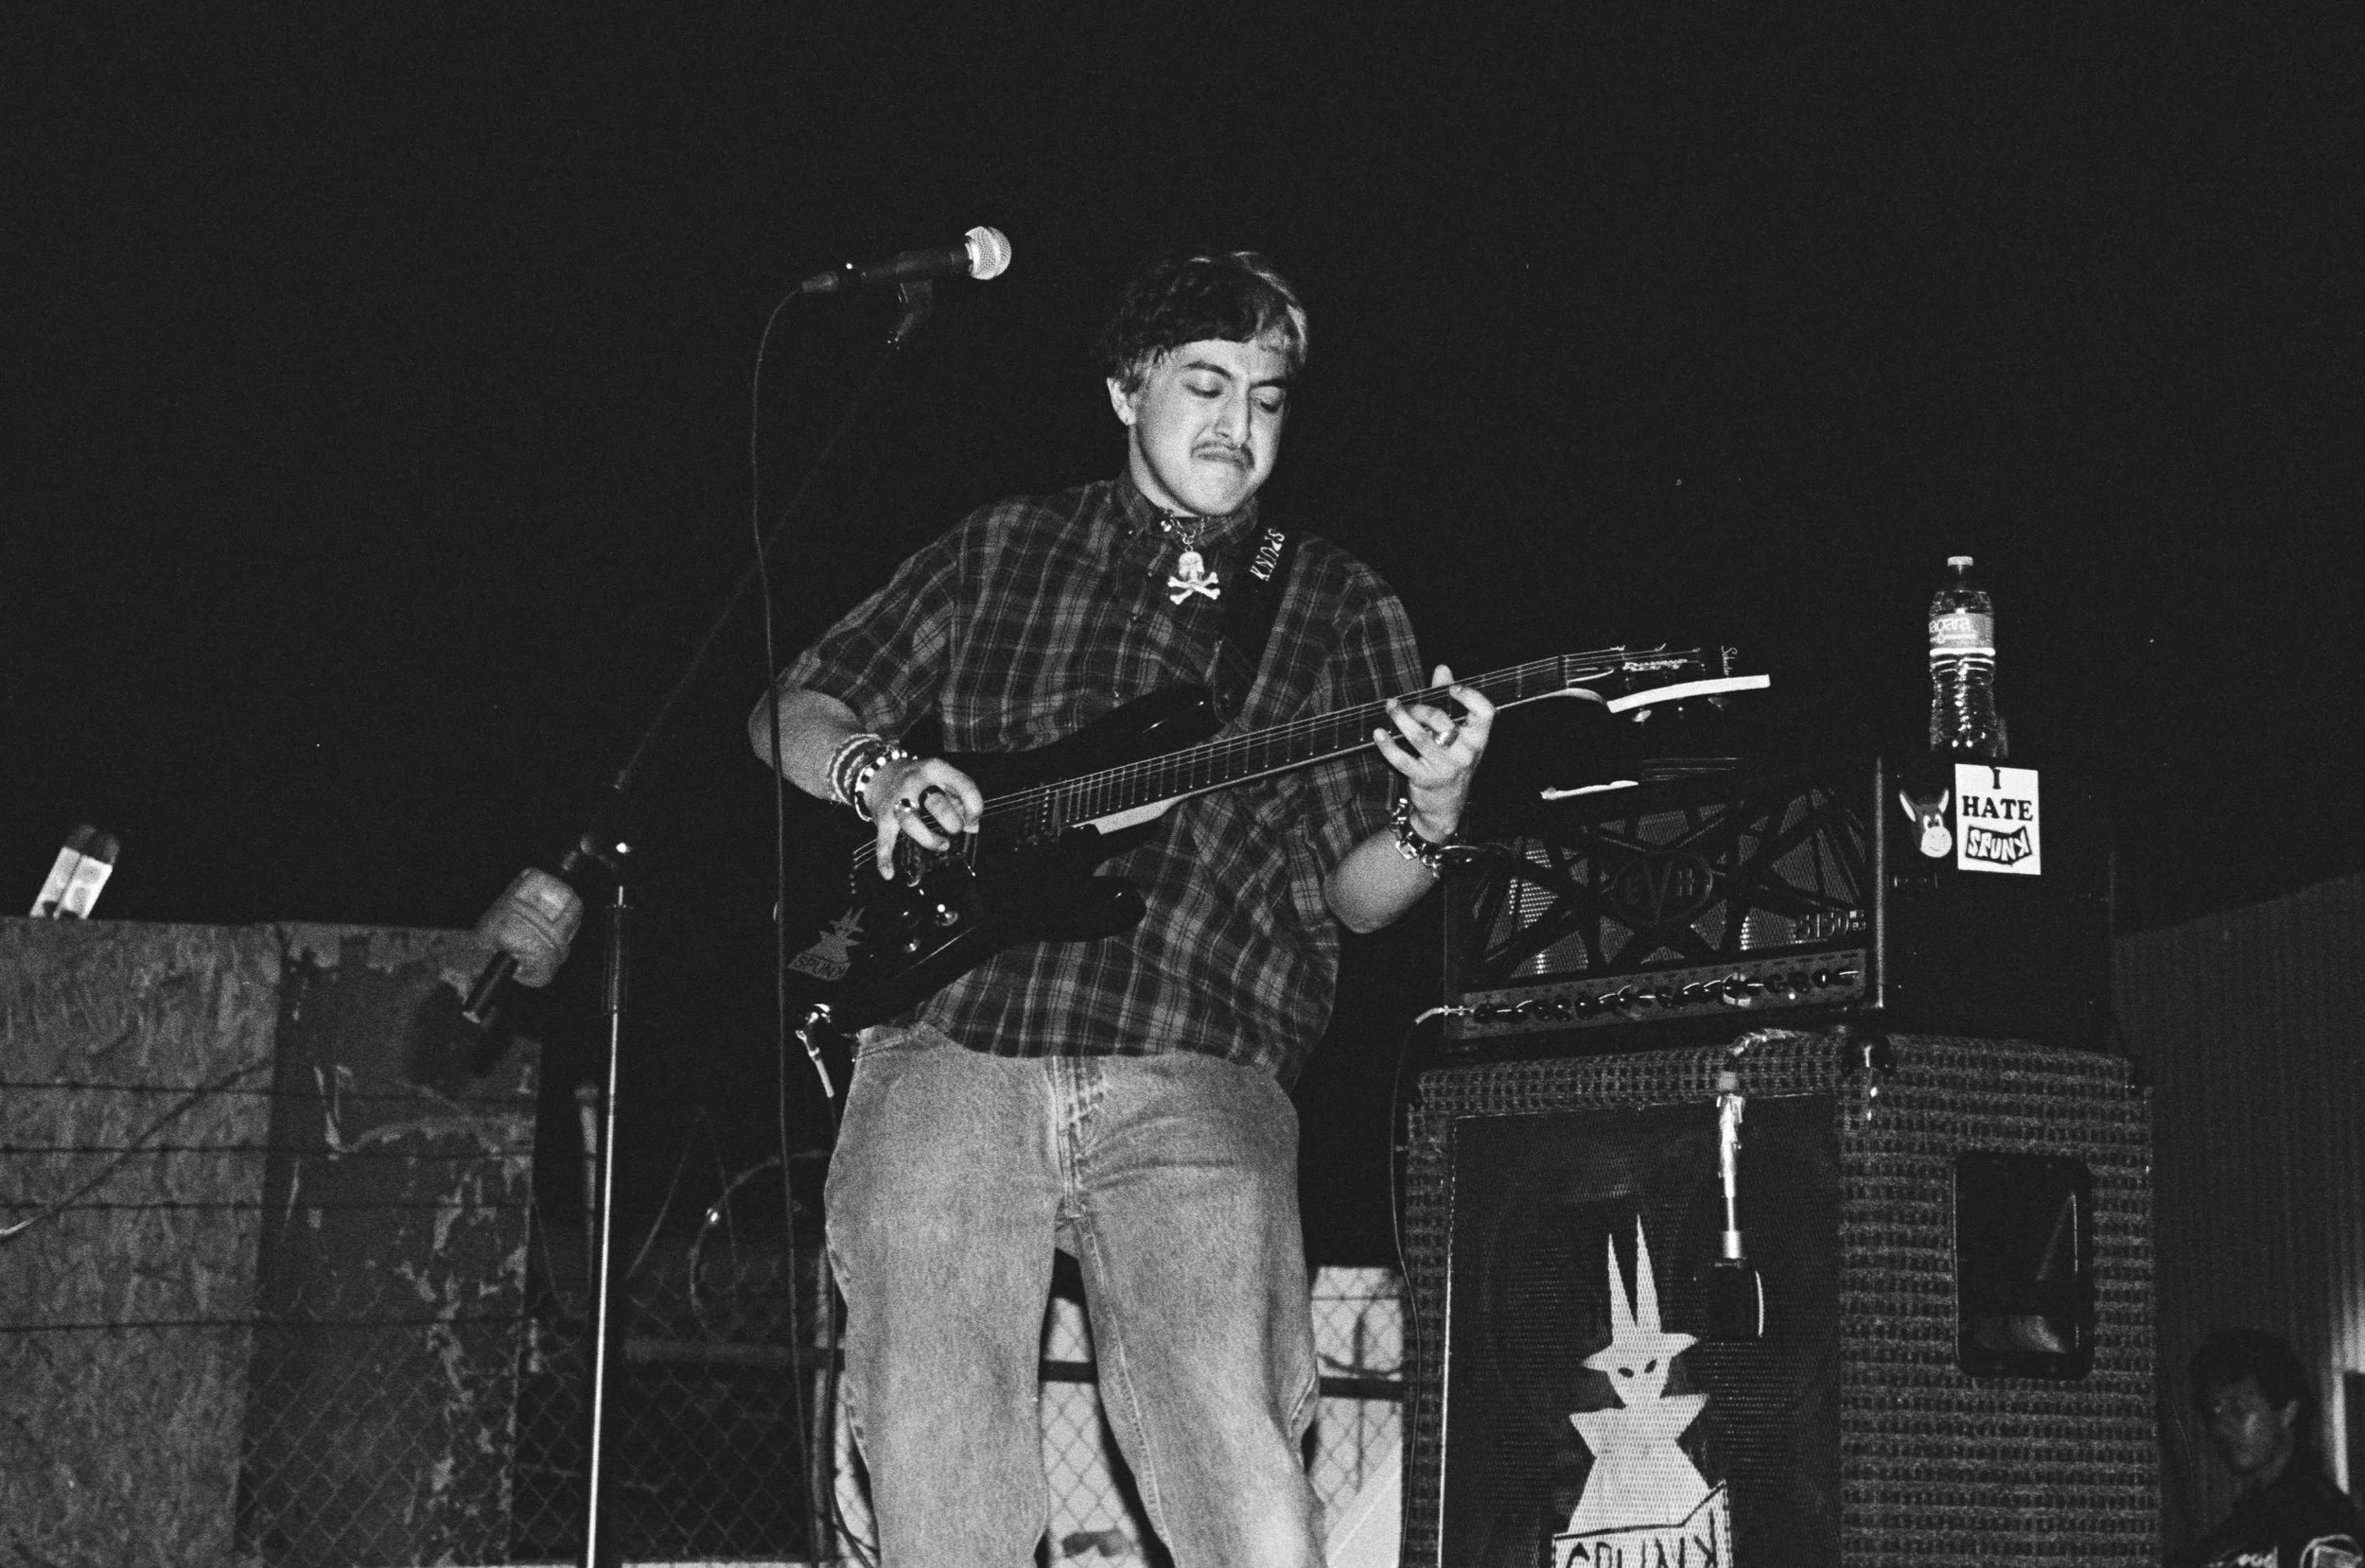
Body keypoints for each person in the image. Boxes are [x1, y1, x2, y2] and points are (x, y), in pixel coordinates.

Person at [747, 248, 1494, 1566]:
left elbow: (1359, 897)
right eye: (1205, 384)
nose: (1238, 422)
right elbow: (789, 707)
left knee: (1238, 1463)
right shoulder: (1003, 545)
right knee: (937, 1462)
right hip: (952, 1045)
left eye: (1267, 397)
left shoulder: (1336, 602)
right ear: (1122, 390)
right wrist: (881, 772)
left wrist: (1435, 812)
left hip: (1198, 1058)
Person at [2181, 1329, 2362, 1568]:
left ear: (2287, 1411)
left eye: (2239, 1409)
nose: (2220, 1427)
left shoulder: (2324, 1521)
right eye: (2215, 1411)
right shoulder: (2241, 1525)